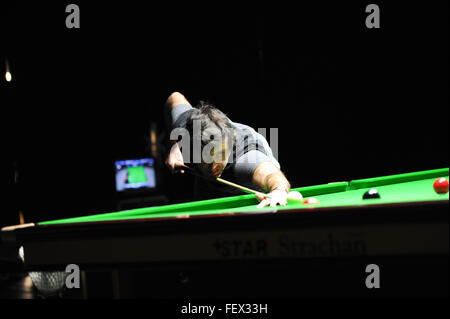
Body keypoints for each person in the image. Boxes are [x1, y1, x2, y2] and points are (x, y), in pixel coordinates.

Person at [164, 92, 302, 208]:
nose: (215, 166)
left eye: (221, 154)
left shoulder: (246, 159)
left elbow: (269, 174)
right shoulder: (186, 132)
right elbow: (174, 97)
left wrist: (278, 190)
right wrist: (175, 145)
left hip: (251, 185)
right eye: (207, 159)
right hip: (208, 184)